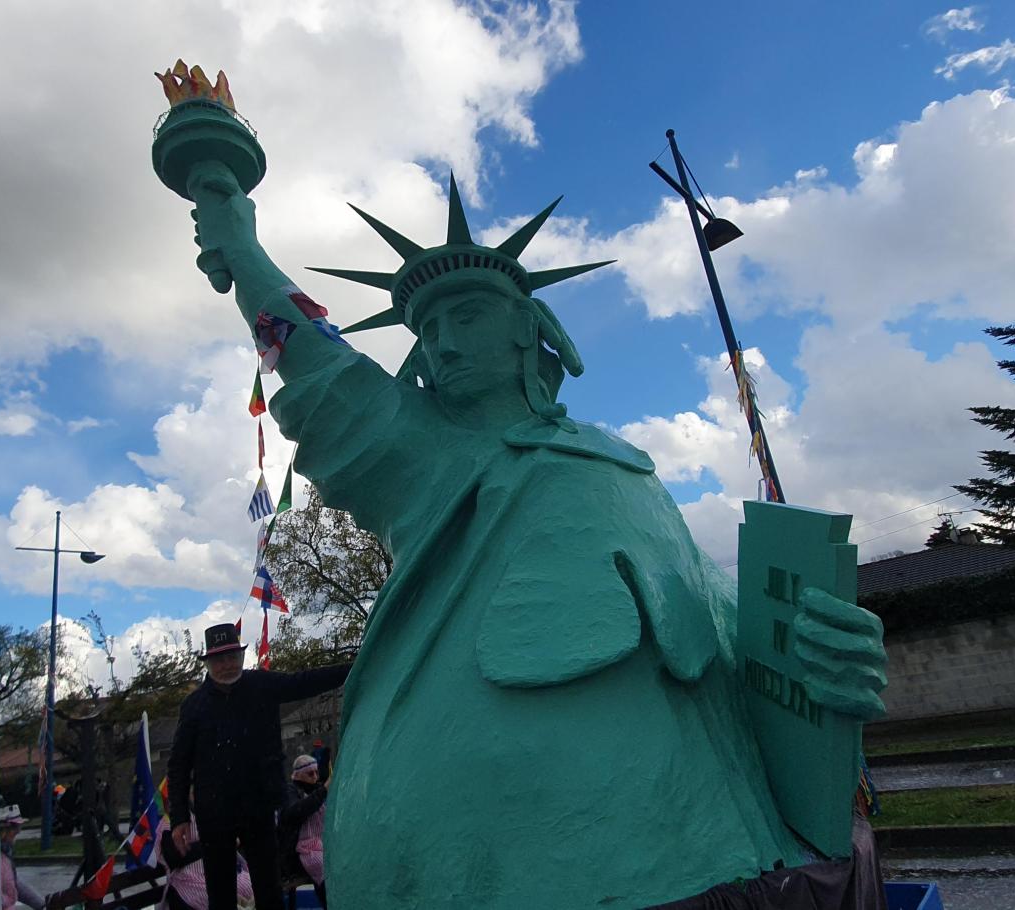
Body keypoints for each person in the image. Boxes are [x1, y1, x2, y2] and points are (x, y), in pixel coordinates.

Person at [182, 166, 890, 907]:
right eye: (428, 330)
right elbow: (314, 355)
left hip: (728, 851)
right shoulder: (424, 454)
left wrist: (819, 659)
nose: (444, 343)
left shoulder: (626, 466)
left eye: (469, 315)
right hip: (485, 865)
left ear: (534, 329)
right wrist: (241, 245)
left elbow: (708, 611)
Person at [166, 623, 348, 910]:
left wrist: (354, 667)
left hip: (259, 807)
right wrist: (178, 818)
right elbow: (178, 766)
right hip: (215, 815)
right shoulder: (194, 706)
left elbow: (304, 681)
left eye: (231, 658)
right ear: (209, 663)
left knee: (268, 890)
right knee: (221, 894)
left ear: (240, 657)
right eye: (219, 660)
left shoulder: (261, 685)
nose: (226, 665)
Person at [154, 817, 250, 910]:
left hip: (222, 872)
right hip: (187, 881)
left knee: (249, 886)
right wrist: (216, 844)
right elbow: (175, 859)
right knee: (218, 896)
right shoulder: (168, 824)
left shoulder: (210, 813)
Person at [275, 756, 326, 908]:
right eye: (310, 774)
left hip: (321, 844)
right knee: (324, 867)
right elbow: (294, 813)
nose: (315, 777)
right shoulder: (290, 791)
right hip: (299, 851)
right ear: (298, 775)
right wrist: (322, 792)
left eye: (317, 773)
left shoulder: (316, 789)